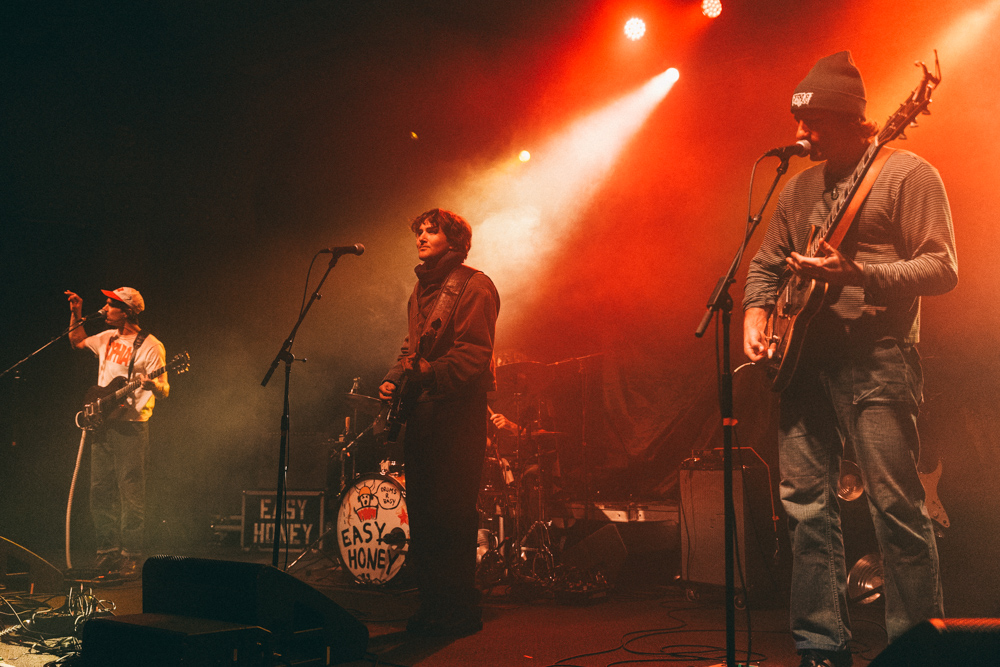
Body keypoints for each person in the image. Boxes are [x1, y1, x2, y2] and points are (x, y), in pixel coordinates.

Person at [743, 52, 957, 667]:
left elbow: (942, 269)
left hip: (878, 363)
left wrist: (858, 271)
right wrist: (758, 315)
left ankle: (917, 651)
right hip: (803, 363)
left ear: (849, 119)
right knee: (804, 507)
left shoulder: (906, 174)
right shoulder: (799, 188)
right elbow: (763, 265)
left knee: (898, 512)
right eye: (796, 120)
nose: (800, 133)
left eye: (811, 122)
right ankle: (819, 645)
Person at [379, 208, 500, 637]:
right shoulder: (420, 289)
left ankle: (461, 611)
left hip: (458, 416)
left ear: (455, 240)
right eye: (419, 231)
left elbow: (474, 353)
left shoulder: (474, 286)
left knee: (452, 515)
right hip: (424, 416)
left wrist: (429, 372)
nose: (421, 237)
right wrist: (395, 380)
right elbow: (411, 345)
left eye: (432, 231)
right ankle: (433, 607)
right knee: (426, 516)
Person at [66, 287, 169, 578]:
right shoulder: (106, 338)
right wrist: (76, 312)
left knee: (130, 491)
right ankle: (107, 552)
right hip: (102, 424)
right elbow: (76, 340)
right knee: (100, 490)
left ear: (127, 311)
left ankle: (131, 556)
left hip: (131, 427)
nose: (105, 308)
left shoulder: (151, 346)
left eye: (111, 305)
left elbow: (165, 389)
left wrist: (151, 386)